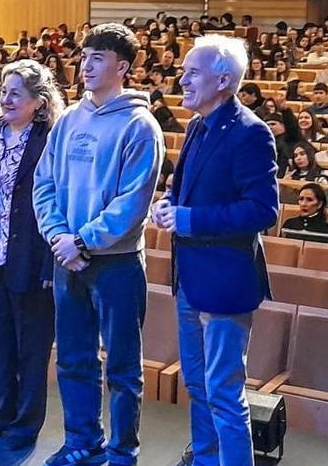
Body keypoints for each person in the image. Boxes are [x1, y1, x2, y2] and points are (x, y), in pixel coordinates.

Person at [33, 23, 163, 466]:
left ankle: (123, 451)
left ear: (122, 66)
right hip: (66, 259)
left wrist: (82, 241)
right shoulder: (69, 118)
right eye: (84, 56)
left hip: (117, 264)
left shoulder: (140, 125)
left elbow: (133, 203)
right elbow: (43, 181)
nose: (85, 65)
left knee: (123, 368)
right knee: (73, 359)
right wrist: (57, 236)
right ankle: (81, 441)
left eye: (98, 58)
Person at [152, 34, 278, 466]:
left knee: (223, 392)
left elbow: (263, 210)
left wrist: (188, 219)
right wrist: (171, 205)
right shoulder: (197, 126)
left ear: (223, 80)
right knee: (198, 384)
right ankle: (205, 459)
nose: (181, 78)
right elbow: (192, 193)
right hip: (190, 279)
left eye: (192, 72)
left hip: (224, 283)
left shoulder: (249, 133)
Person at [0, 60, 63, 451]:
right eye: (3, 92)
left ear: (38, 102)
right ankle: (1, 410)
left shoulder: (49, 137)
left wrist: (49, 261)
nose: (5, 99)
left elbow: (54, 199)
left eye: (15, 93)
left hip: (30, 254)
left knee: (31, 345)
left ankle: (26, 421)